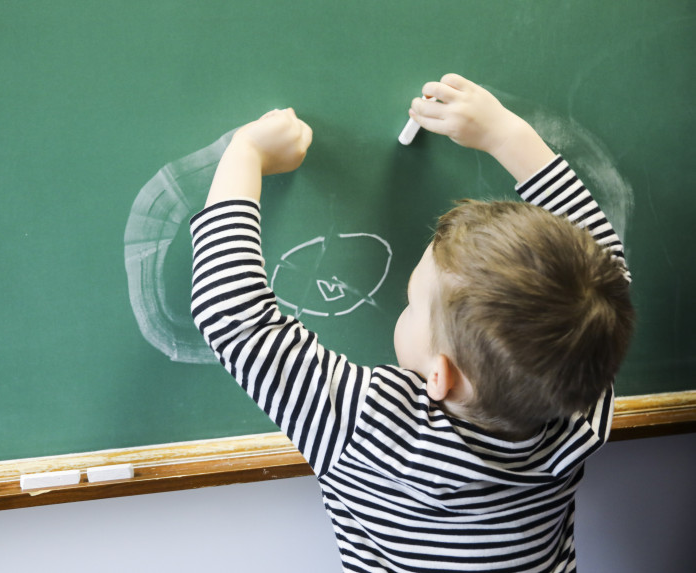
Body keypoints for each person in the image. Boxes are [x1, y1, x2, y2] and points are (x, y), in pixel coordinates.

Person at [190, 74, 634, 572]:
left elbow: (234, 320)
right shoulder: (578, 405)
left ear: (442, 375)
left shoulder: (368, 426)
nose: (404, 306)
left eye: (411, 304)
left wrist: (245, 153)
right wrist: (505, 135)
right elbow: (603, 278)